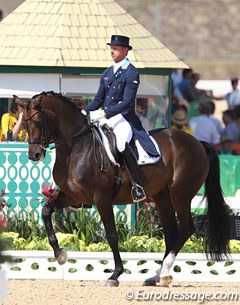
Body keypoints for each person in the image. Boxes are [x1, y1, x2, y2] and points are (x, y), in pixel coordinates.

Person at [82, 35, 160, 202]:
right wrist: (84, 112)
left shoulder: (131, 72)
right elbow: (98, 99)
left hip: (123, 117)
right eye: (111, 47)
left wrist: (104, 113)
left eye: (116, 48)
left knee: (121, 143)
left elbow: (126, 103)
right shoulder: (107, 73)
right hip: (105, 117)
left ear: (125, 50)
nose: (112, 50)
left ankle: (137, 184)